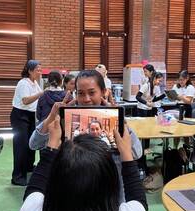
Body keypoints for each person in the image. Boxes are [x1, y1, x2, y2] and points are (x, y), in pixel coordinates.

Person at [19, 117, 148, 211]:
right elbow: (139, 202)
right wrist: (126, 153)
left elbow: (34, 188)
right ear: (111, 186)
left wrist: (51, 147)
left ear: (54, 183)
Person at [29, 69, 142, 200]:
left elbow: (136, 152)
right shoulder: (66, 120)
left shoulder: (115, 123)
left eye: (92, 92)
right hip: (73, 194)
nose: (86, 99)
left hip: (110, 196)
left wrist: (121, 121)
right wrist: (52, 116)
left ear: (103, 92)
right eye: (81, 93)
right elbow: (34, 144)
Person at [10, 59, 44, 186]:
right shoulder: (23, 83)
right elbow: (25, 101)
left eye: (40, 69)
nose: (40, 72)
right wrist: (42, 93)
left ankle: (29, 167)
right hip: (20, 116)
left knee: (31, 143)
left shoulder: (34, 82)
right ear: (30, 71)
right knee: (21, 146)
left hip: (30, 116)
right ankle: (17, 176)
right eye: (38, 70)